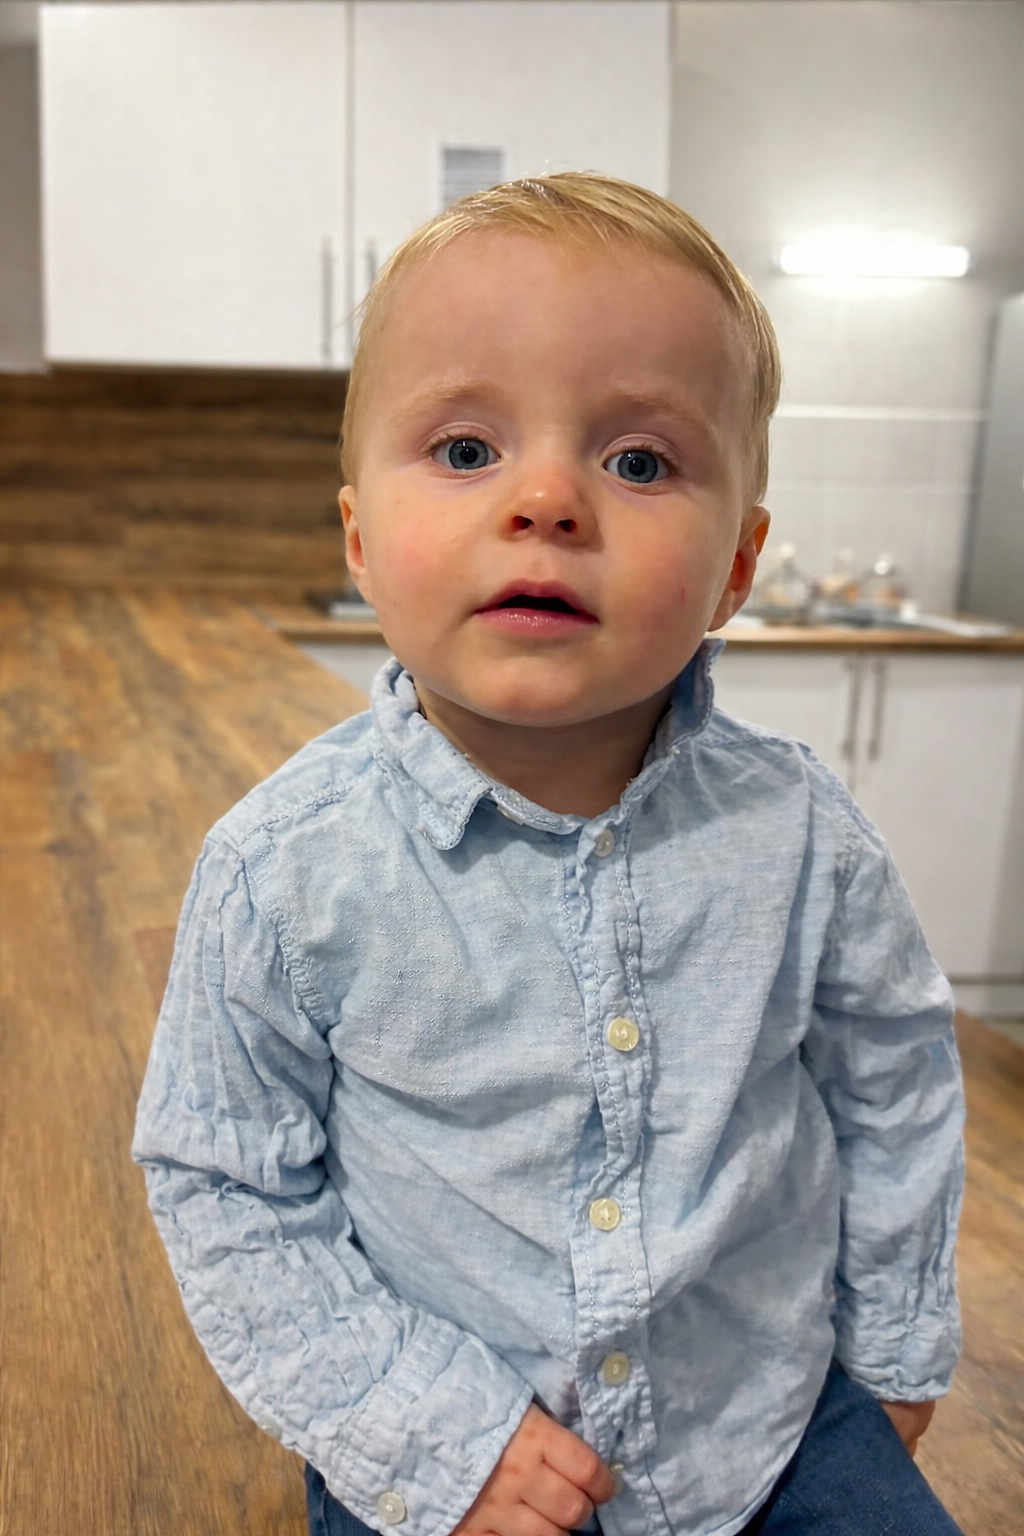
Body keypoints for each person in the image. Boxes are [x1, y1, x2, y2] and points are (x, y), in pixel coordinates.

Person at [132, 172, 966, 1536]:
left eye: (639, 462)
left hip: (767, 1419)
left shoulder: (802, 838)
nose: (546, 500)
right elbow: (227, 1183)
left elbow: (893, 1084)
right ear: (358, 538)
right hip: (442, 1440)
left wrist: (896, 1338)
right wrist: (420, 1427)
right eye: (466, 449)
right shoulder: (281, 871)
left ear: (739, 565)